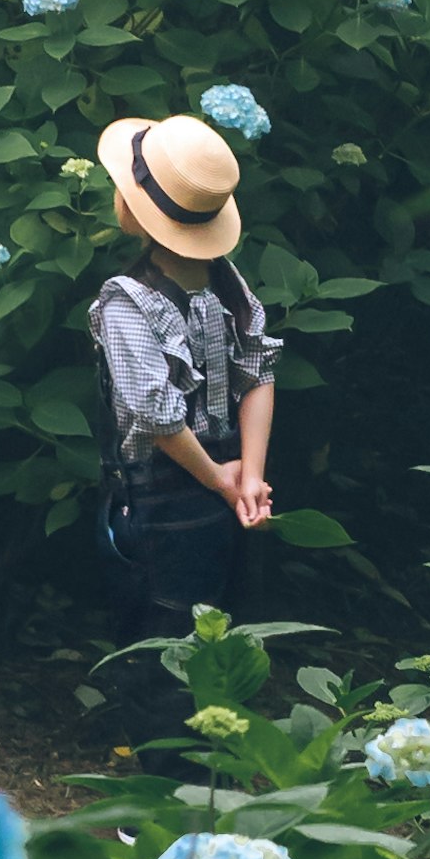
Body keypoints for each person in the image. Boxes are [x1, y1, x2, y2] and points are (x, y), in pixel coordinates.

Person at [90, 109, 277, 742]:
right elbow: (260, 375)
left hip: (171, 485)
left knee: (171, 634)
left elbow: (158, 417)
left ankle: (166, 788)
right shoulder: (226, 281)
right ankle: (198, 766)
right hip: (220, 476)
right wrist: (248, 475)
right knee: (211, 624)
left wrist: (230, 482)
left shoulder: (126, 299)